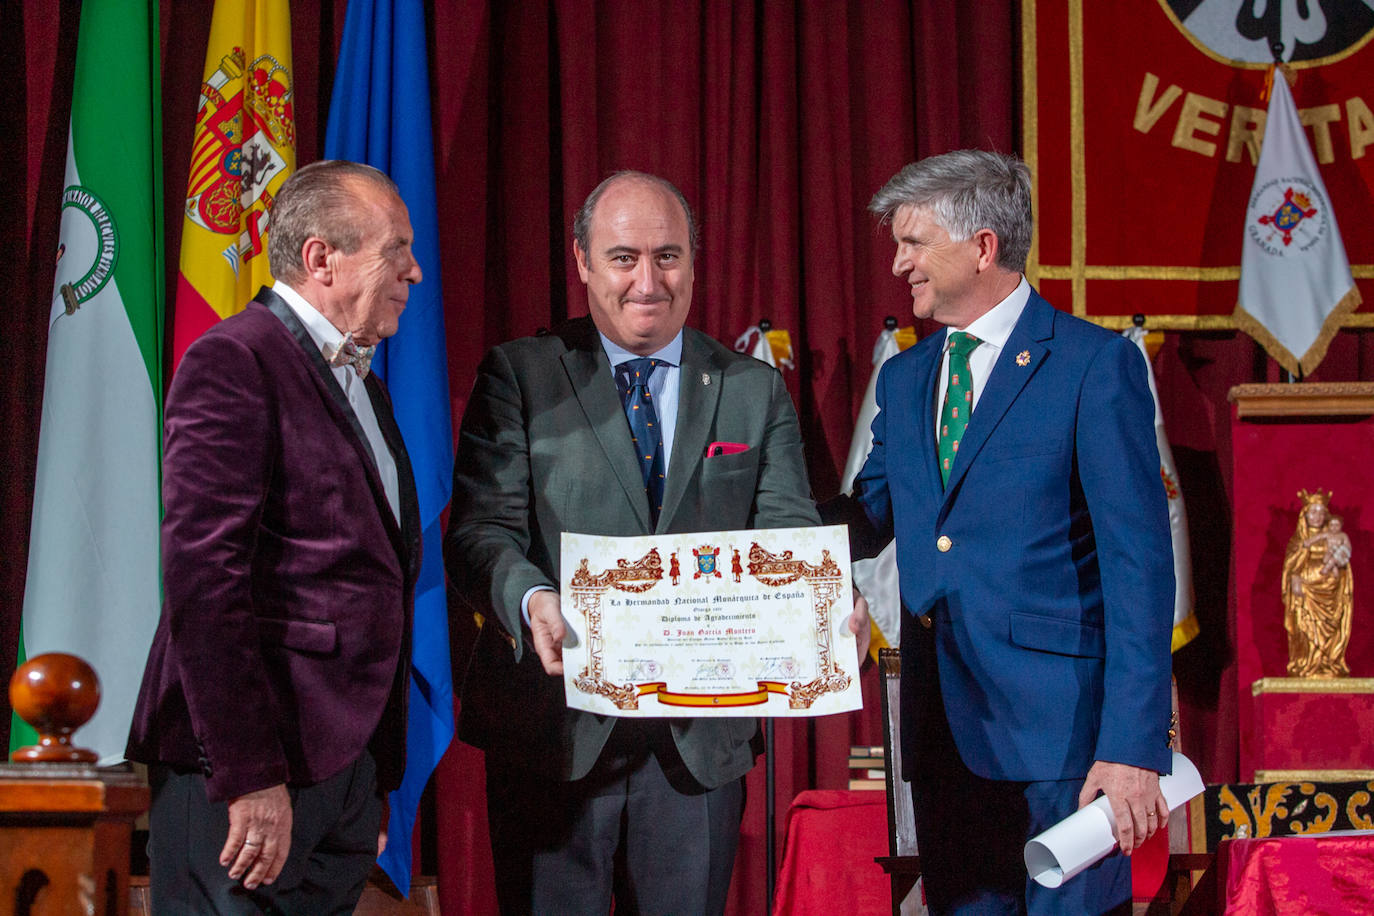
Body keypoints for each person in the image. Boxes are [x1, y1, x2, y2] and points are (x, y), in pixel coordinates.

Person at [446, 170, 864, 915]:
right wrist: (533, 597)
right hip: (553, 735)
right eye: (624, 257)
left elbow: (787, 532)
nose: (648, 280)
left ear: (695, 265)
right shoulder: (520, 374)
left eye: (668, 257)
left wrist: (827, 597)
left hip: (697, 749)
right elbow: (481, 532)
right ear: (582, 262)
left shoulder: (750, 388)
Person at [828, 150, 1174, 914]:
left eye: (914, 243)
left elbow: (1139, 568)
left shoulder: (1093, 365)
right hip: (945, 734)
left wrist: (1131, 746)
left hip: (1068, 747)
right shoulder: (908, 378)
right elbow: (867, 517)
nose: (897, 264)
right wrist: (749, 536)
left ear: (982, 246)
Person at [126, 160, 424, 914]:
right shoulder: (235, 360)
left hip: (339, 771)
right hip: (245, 774)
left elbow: (373, 574)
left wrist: (363, 778)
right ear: (322, 257)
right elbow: (204, 582)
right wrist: (250, 776)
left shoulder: (366, 384)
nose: (415, 273)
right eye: (396, 250)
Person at [1284, 489, 1353, 678]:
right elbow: (1290, 566)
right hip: (1306, 592)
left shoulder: (1336, 536)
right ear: (1304, 515)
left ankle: (1328, 661)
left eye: (1322, 512)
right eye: (1313, 512)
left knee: (1331, 627)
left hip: (1331, 591)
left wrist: (1339, 571)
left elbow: (1344, 558)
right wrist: (1295, 578)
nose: (1317, 516)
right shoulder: (1297, 541)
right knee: (1304, 624)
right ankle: (1307, 661)